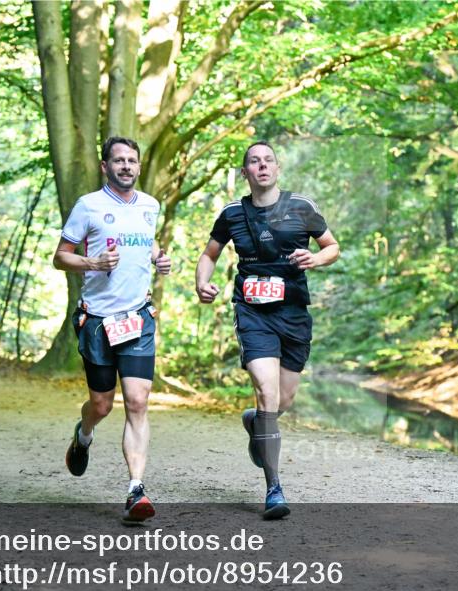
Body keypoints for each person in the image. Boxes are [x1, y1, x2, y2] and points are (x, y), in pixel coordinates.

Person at [195, 141, 340, 519]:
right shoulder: (231, 214)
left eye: (268, 161)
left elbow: (332, 246)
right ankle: (274, 487)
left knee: (282, 402)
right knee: (266, 391)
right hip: (253, 313)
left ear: (277, 169)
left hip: (293, 313)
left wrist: (316, 258)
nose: (262, 166)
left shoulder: (301, 207)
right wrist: (202, 283)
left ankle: (254, 421)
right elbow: (209, 254)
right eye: (254, 162)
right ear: (245, 173)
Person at [53, 136, 171, 523]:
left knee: (137, 401)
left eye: (132, 161)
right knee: (102, 405)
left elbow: (146, 244)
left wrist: (159, 259)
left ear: (138, 166)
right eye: (118, 161)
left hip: (137, 319)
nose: (126, 166)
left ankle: (135, 488)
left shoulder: (151, 206)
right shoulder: (88, 205)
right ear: (105, 166)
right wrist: (93, 262)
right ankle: (84, 432)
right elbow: (60, 257)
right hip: (98, 321)